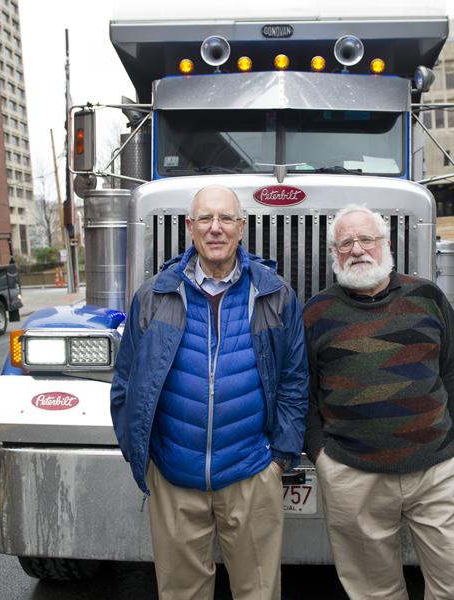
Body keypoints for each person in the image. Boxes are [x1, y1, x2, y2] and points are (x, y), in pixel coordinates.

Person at [110, 184, 309, 600]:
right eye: (205, 218)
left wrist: (279, 459)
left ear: (241, 227)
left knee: (258, 592)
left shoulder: (274, 295)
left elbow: (294, 379)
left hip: (252, 473)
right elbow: (126, 382)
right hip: (173, 477)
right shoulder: (152, 297)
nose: (215, 228)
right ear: (190, 227)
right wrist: (142, 457)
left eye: (225, 219)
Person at [303, 204, 454, 600]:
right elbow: (304, 391)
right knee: (374, 593)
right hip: (352, 474)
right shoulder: (316, 313)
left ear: (386, 244)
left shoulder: (428, 297)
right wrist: (321, 455)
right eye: (345, 242)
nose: (357, 249)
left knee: (452, 588)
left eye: (367, 239)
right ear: (334, 253)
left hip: (435, 470)